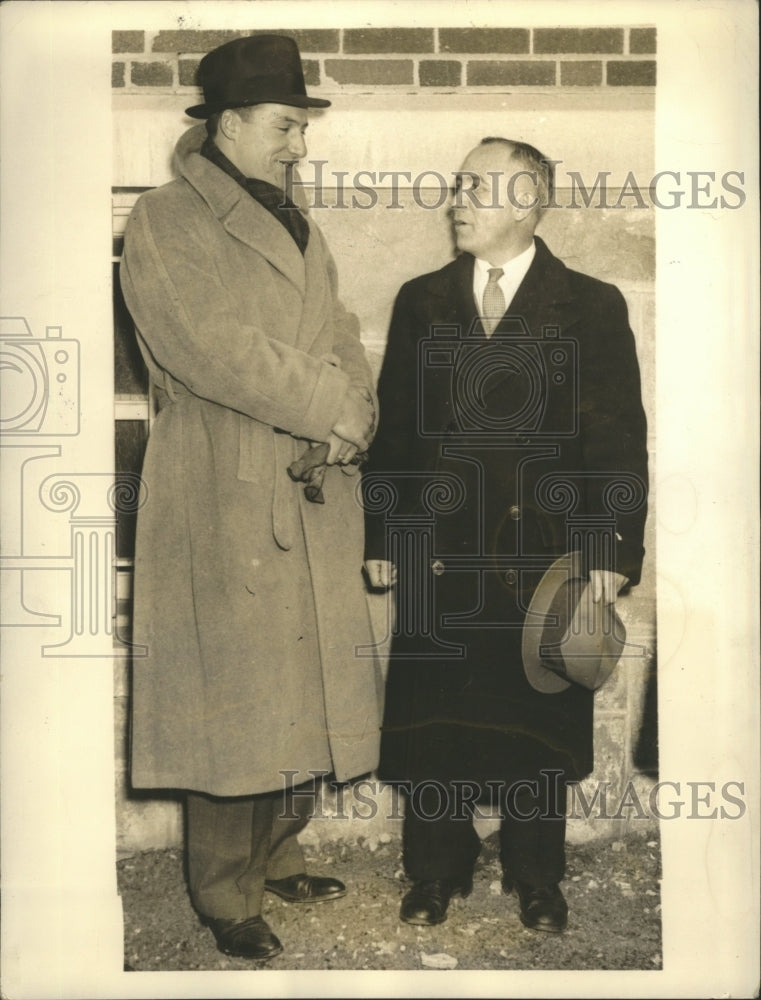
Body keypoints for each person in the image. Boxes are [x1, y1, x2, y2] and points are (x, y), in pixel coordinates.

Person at [120, 35, 382, 961]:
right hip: (224, 486)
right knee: (234, 701)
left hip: (309, 478)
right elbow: (212, 347)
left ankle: (274, 855)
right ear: (228, 124)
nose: (298, 147)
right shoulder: (165, 221)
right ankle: (224, 893)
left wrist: (356, 407)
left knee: (299, 688)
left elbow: (342, 332)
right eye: (284, 127)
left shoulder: (295, 220)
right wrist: (329, 405)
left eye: (303, 128)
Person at [363, 138, 648, 933]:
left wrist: (608, 551)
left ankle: (535, 876)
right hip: (438, 550)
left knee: (536, 717)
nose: (455, 200)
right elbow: (395, 437)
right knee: (435, 721)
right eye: (457, 185)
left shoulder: (589, 305)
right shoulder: (421, 299)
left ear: (526, 201)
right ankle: (434, 870)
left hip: (542, 559)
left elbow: (616, 441)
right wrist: (384, 532)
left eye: (475, 188)